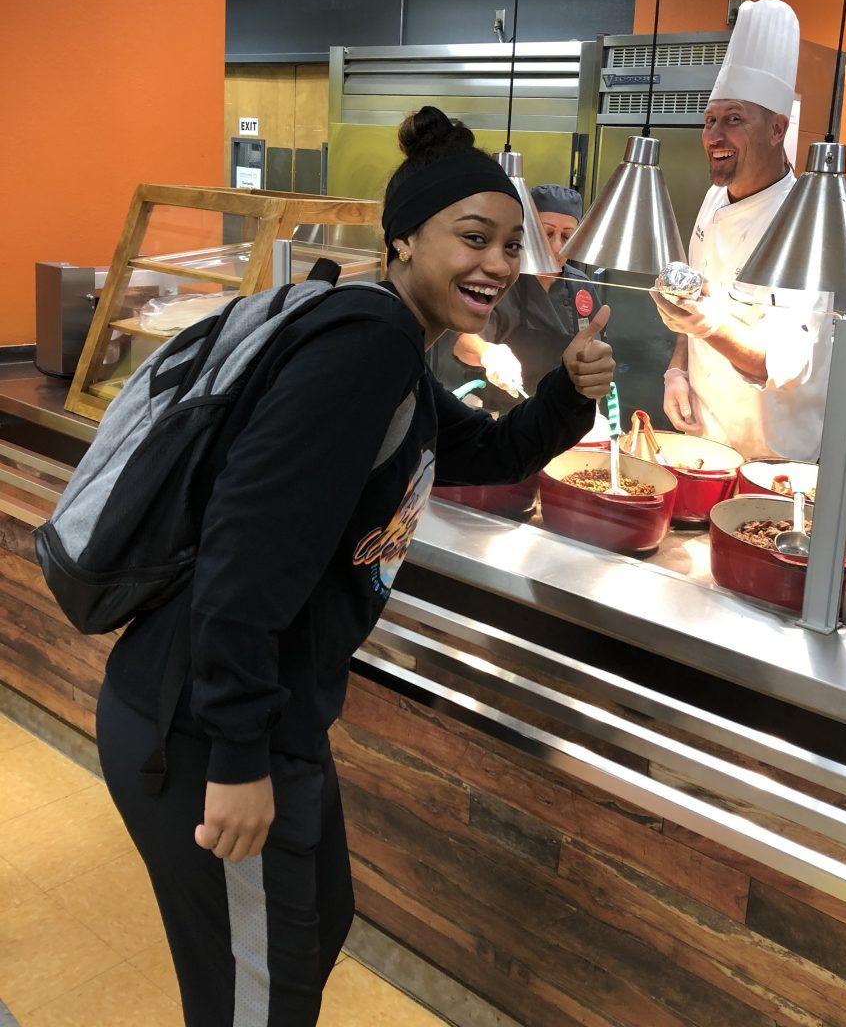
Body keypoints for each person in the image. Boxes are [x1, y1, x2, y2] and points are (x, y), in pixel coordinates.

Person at [95, 105, 614, 1027]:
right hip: (198, 722)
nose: (498, 262)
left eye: (509, 241)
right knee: (258, 995)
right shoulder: (363, 350)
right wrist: (238, 758)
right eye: (471, 237)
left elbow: (486, 453)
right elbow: (246, 554)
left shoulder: (394, 352)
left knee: (309, 928)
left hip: (247, 710)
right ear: (404, 239)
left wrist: (569, 393)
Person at [652, 0, 830, 460]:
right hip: (705, 443)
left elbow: (785, 364)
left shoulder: (804, 224)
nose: (714, 136)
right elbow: (692, 306)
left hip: (772, 461)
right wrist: (679, 371)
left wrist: (709, 326)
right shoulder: (715, 199)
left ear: (777, 129)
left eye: (733, 120)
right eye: (710, 121)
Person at [452, 184, 602, 409]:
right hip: (498, 411)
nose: (557, 246)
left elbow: (595, 356)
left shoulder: (581, 287)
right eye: (547, 233)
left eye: (567, 236)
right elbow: (461, 340)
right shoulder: (501, 276)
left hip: (559, 414)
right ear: (527, 232)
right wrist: (488, 354)